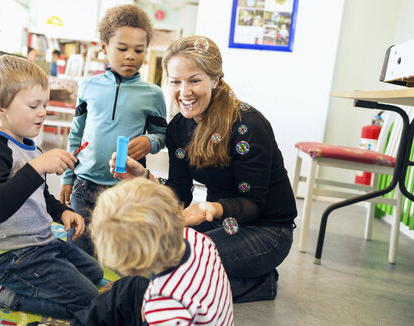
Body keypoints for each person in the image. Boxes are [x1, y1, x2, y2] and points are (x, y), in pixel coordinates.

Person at [110, 35, 297, 303]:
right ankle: (246, 280)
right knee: (140, 254)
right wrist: (144, 177)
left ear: (215, 79)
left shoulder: (248, 125)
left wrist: (212, 209)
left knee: (169, 269)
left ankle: (260, 284)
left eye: (194, 80)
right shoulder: (178, 127)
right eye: (175, 82)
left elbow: (255, 203)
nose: (183, 92)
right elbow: (180, 193)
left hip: (267, 231)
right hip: (221, 223)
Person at [0, 54, 103, 321]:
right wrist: (37, 168)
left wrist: (63, 213)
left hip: (42, 244)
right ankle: (0, 290)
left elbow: (40, 196)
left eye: (44, 104)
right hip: (12, 256)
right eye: (34, 105)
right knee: (89, 301)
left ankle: (17, 284)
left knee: (94, 273)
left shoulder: (30, 146)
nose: (43, 112)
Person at [27, 177, 234, 326]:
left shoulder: (166, 310)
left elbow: (170, 306)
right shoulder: (197, 239)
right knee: (131, 287)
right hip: (187, 307)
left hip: (175, 312)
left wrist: (157, 308)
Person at [60, 4, 167, 255]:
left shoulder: (153, 94)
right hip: (83, 184)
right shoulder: (88, 86)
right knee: (79, 253)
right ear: (104, 47)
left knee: (121, 256)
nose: (130, 56)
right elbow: (76, 133)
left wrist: (150, 142)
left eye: (138, 50)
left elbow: (162, 136)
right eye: (122, 48)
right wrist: (67, 177)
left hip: (125, 190)